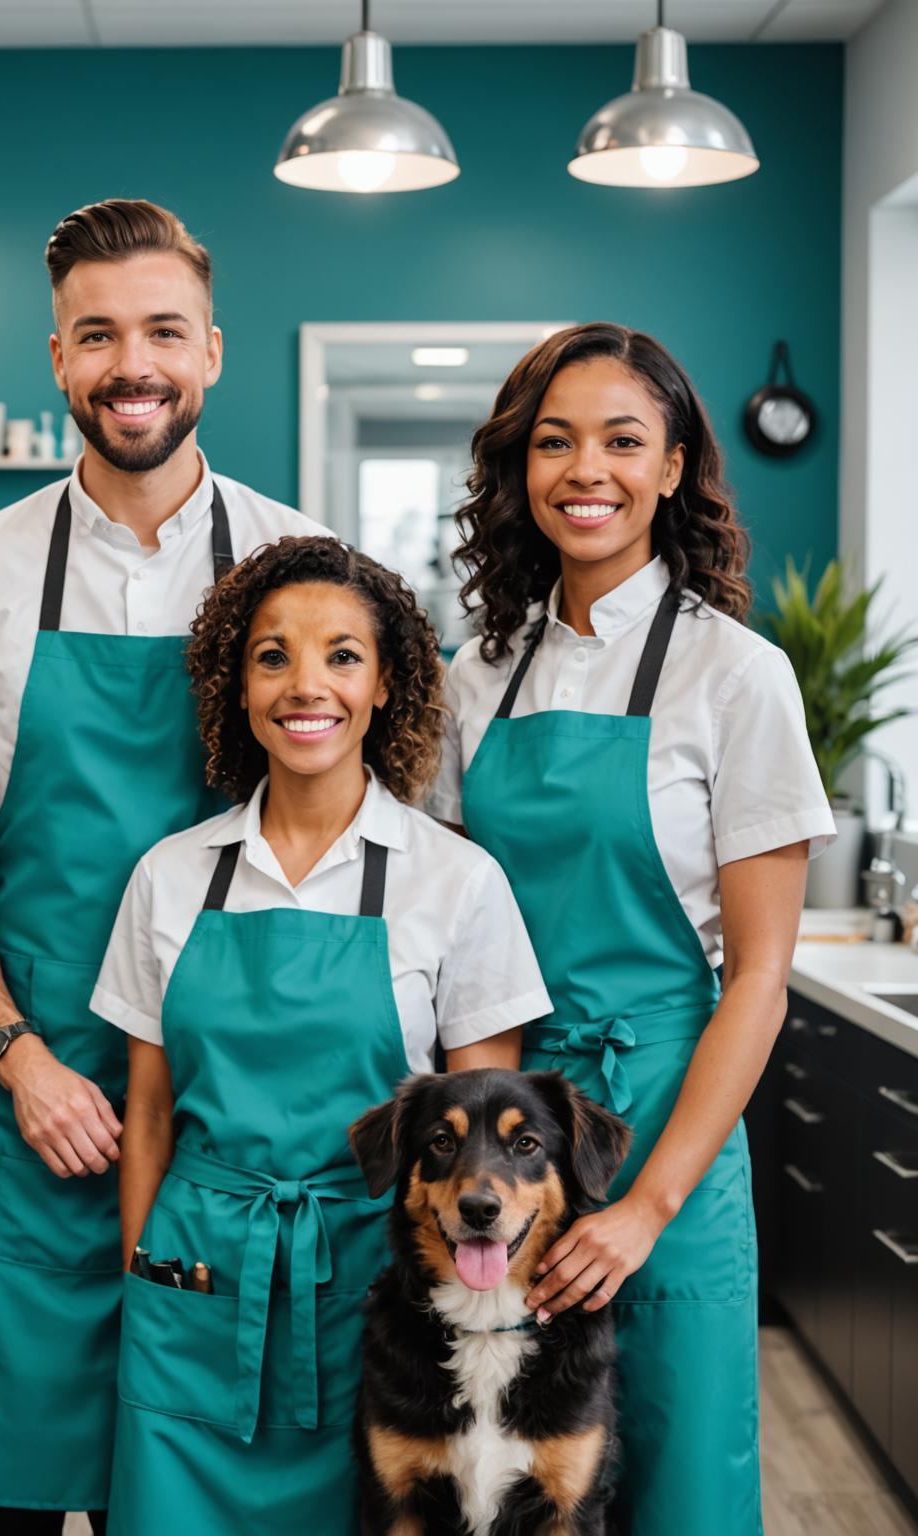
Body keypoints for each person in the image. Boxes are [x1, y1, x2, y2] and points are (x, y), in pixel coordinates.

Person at [0, 200, 327, 1532]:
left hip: (232, 1109)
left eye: (159, 332)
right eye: (97, 336)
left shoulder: (291, 564)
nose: (129, 364)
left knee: (205, 1496)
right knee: (12, 1506)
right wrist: (17, 1058)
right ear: (58, 359)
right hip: (43, 1101)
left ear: (211, 351)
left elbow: (345, 832)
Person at [428, 322, 836, 1534]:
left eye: (621, 440)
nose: (585, 469)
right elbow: (446, 922)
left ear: (672, 469)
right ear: (519, 470)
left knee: (677, 1468)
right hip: (511, 1133)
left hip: (672, 1120)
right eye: (554, 442)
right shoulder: (478, 673)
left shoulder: (737, 676)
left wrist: (647, 1206)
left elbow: (761, 977)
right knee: (504, 1483)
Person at [93, 535, 550, 1533]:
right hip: (196, 1297)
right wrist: (149, 1280)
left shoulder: (457, 882)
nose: (309, 685)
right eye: (273, 656)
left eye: (343, 655)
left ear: (387, 684)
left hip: (382, 1300)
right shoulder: (168, 878)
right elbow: (151, 1110)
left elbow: (486, 1138)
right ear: (237, 687)